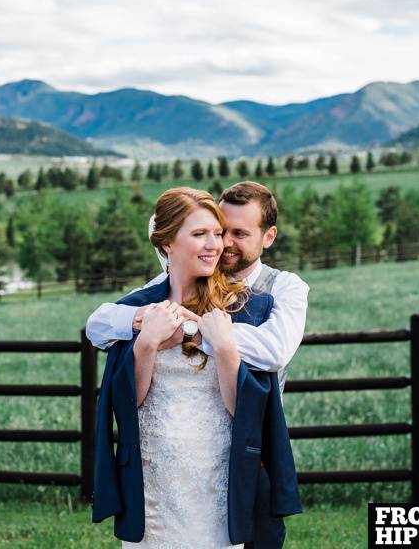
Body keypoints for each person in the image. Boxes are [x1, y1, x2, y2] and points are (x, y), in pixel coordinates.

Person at [88, 181, 309, 548]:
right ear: (167, 244)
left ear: (268, 237)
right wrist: (146, 328)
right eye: (212, 232)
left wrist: (200, 333)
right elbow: (99, 324)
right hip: (158, 474)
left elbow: (274, 350)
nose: (222, 244)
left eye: (232, 233)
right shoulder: (158, 294)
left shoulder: (275, 293)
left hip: (243, 456)